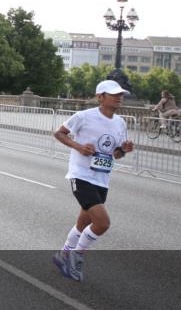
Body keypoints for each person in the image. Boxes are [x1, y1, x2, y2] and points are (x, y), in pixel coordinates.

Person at [51, 79, 134, 283]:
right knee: (102, 223)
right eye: (114, 94)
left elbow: (115, 153)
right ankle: (76, 256)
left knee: (84, 222)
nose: (119, 97)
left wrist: (124, 150)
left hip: (102, 178)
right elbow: (59, 133)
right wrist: (79, 147)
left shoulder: (120, 123)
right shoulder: (84, 116)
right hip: (81, 175)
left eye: (120, 94)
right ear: (100, 97)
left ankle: (63, 254)